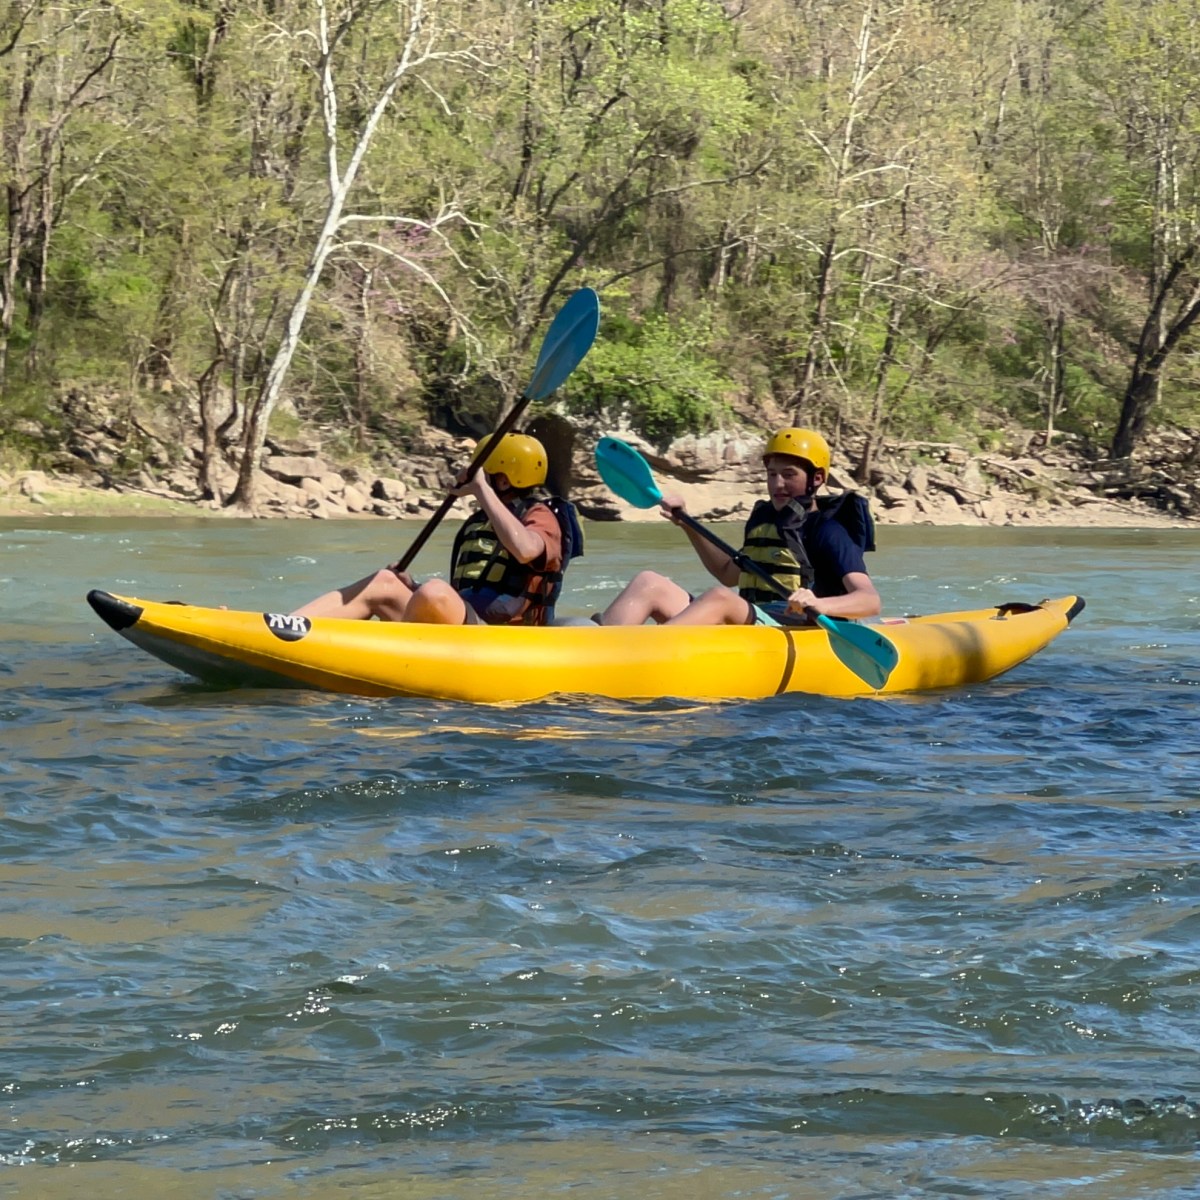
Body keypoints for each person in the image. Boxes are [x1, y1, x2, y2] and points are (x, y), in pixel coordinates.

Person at [597, 427, 881, 627]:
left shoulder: (827, 531)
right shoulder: (765, 521)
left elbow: (868, 600)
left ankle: (642, 655)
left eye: (788, 475)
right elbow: (728, 574)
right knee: (649, 583)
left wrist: (822, 604)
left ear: (816, 478)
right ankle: (601, 650)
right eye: (772, 474)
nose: (777, 484)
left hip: (789, 627)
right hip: (753, 619)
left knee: (720, 599)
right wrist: (687, 523)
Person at [292, 432, 578, 626]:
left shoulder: (542, 515)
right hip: (465, 623)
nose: (468, 473)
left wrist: (480, 489)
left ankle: (397, 657)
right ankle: (289, 628)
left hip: (503, 636)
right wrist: (412, 587)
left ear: (502, 481)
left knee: (435, 592)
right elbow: (468, 593)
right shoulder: (480, 520)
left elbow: (527, 550)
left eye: (481, 469)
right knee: (386, 581)